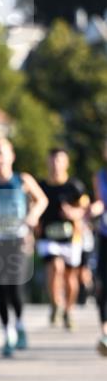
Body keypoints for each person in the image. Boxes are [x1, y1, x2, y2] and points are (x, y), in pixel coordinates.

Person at [0, 139, 48, 356]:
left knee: (15, 288)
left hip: (17, 240)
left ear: (12, 156)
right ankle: (7, 332)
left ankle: (19, 323)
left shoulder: (22, 180)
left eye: (3, 154)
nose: (0, 159)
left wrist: (33, 216)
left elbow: (42, 200)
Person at [37, 148, 88, 330]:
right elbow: (33, 203)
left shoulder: (74, 186)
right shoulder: (41, 185)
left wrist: (74, 213)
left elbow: (85, 208)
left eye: (60, 160)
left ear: (66, 163)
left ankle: (68, 310)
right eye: (52, 160)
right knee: (55, 267)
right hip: (48, 237)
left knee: (70, 279)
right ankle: (56, 302)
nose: (56, 164)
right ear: (48, 162)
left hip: (70, 238)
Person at [92, 140, 107, 355]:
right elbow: (99, 202)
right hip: (105, 235)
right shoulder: (100, 176)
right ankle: (105, 331)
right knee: (102, 282)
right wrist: (90, 211)